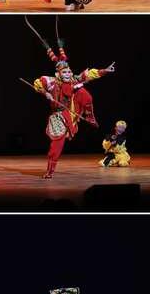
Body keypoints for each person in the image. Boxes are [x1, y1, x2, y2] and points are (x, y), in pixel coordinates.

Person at [28, 20, 114, 178]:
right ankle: (50, 170)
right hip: (58, 116)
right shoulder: (52, 82)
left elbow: (88, 75)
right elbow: (37, 83)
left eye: (68, 72)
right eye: (65, 73)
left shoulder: (74, 80)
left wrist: (104, 71)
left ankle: (89, 116)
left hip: (72, 111)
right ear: (58, 74)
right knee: (57, 143)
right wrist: (45, 93)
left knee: (83, 92)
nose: (68, 74)